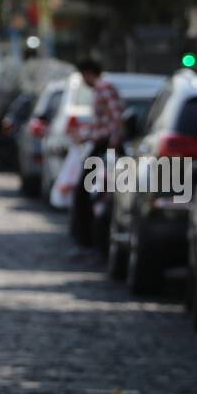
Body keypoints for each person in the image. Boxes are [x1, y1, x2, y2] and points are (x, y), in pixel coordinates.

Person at [71, 57, 123, 251]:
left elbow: (116, 116)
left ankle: (88, 239)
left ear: (87, 73)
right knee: (88, 192)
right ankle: (87, 238)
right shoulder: (102, 88)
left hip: (105, 146)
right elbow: (101, 122)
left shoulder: (104, 87)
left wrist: (114, 142)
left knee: (84, 192)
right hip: (100, 144)